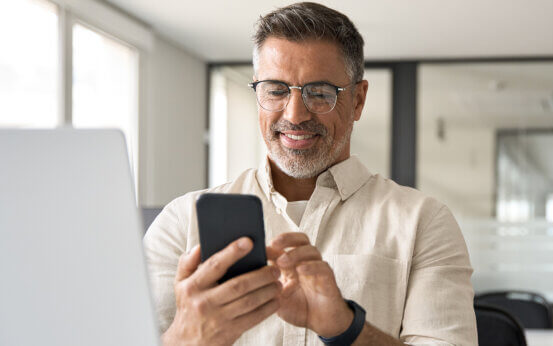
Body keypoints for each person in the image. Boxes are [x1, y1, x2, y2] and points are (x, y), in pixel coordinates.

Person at [143, 2, 477, 345]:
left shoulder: (424, 222)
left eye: (319, 93)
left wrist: (345, 327)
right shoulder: (182, 223)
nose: (295, 114)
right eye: (275, 90)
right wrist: (187, 336)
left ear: (358, 100)